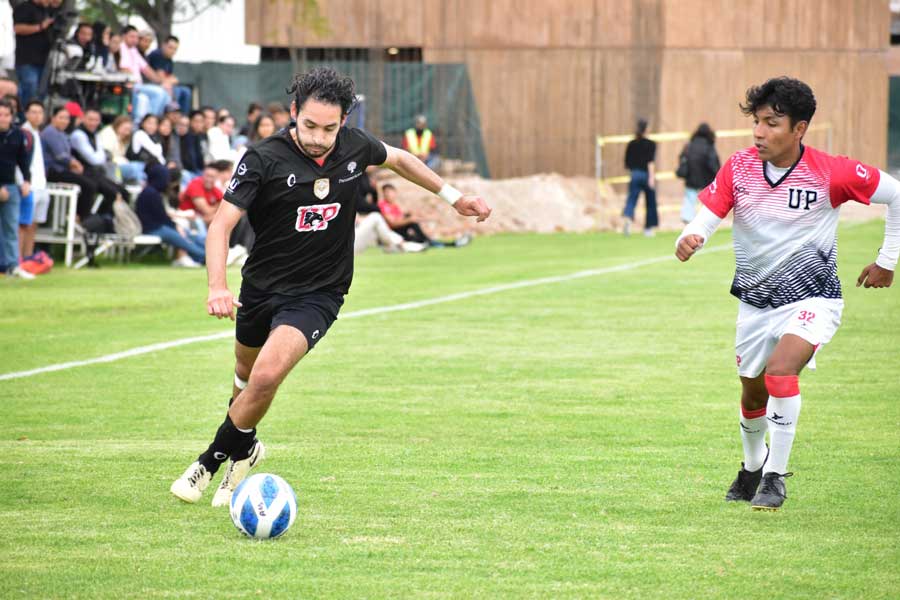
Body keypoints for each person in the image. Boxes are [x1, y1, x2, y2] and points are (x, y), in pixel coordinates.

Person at [170, 67, 491, 505]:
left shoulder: (355, 147)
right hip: (261, 288)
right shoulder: (262, 158)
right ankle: (245, 450)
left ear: (344, 121)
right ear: (294, 112)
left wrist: (455, 197)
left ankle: (208, 461)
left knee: (265, 376)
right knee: (245, 380)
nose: (320, 137)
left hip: (318, 294)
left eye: (330, 128)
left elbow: (399, 159)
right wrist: (216, 286)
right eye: (310, 126)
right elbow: (220, 225)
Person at [675, 77, 899, 511]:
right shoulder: (739, 167)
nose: (759, 132)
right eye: (757, 122)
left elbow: (896, 196)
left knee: (781, 373)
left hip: (813, 298)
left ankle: (775, 477)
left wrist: (888, 260)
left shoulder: (832, 171)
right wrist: (690, 236)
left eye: (771, 123)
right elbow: (707, 216)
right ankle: (752, 465)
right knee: (752, 394)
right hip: (755, 304)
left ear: (799, 129)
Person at [42, 106, 109, 221]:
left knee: (91, 181)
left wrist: (74, 162)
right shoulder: (50, 132)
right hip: (53, 171)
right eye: (61, 118)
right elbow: (61, 156)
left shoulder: (62, 134)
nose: (64, 121)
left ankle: (80, 216)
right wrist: (74, 163)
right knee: (88, 185)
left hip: (63, 169)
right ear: (53, 118)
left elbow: (68, 153)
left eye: (67, 118)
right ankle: (82, 217)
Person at [135, 163, 205, 267]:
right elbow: (161, 217)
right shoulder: (151, 194)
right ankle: (206, 256)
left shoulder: (151, 192)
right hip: (154, 229)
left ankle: (207, 254)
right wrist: (175, 227)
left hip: (158, 226)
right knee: (183, 241)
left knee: (188, 235)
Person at [378, 183, 471, 247]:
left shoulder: (394, 206)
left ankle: (449, 243)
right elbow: (392, 223)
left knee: (419, 239)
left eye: (390, 192)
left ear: (395, 193)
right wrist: (410, 219)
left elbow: (401, 217)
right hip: (392, 233)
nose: (389, 195)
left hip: (402, 232)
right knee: (418, 232)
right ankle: (450, 244)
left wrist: (425, 218)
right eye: (386, 192)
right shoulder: (383, 205)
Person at [0, 98, 33, 279]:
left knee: (11, 227)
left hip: (11, 185)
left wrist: (27, 180)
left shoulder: (18, 135)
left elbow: (23, 161)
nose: (3, 119)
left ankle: (12, 266)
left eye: (6, 115)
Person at [18, 99, 49, 272]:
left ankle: (28, 259)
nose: (37, 115)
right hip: (29, 184)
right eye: (34, 112)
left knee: (33, 225)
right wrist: (24, 181)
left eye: (40, 112)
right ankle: (18, 259)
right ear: (27, 114)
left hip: (41, 183)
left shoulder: (37, 133)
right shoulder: (23, 133)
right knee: (23, 224)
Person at [118, 25, 171, 122]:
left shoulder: (133, 50)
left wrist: (162, 82)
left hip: (139, 85)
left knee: (166, 94)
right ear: (124, 36)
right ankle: (150, 121)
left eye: (136, 37)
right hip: (130, 85)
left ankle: (156, 122)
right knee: (158, 93)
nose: (135, 40)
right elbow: (124, 69)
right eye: (132, 36)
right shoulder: (122, 48)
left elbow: (147, 70)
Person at [621, 118, 658, 237]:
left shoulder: (632, 143)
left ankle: (628, 217)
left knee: (631, 199)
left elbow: (627, 162)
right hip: (646, 174)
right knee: (650, 202)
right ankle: (648, 229)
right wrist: (651, 177)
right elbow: (650, 162)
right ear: (646, 129)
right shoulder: (651, 144)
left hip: (635, 174)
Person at [678, 123, 720, 223]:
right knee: (705, 204)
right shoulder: (709, 146)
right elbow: (713, 163)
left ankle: (688, 221)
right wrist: (717, 174)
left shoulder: (689, 145)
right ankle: (704, 222)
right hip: (706, 180)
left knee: (689, 200)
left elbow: (682, 158)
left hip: (691, 179)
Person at [12, 0, 53, 104]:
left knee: (42, 92)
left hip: (44, 59)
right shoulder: (25, 7)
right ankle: (23, 116)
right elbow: (17, 28)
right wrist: (40, 27)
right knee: (29, 87)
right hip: (27, 58)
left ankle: (37, 115)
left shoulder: (46, 10)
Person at [146, 35, 191, 114]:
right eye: (170, 47)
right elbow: (161, 79)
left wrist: (171, 80)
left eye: (175, 49)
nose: (172, 51)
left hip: (165, 85)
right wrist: (172, 80)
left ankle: (183, 117)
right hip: (151, 84)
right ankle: (171, 115)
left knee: (186, 91)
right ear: (163, 45)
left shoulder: (169, 60)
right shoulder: (157, 55)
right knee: (176, 91)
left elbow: (170, 77)